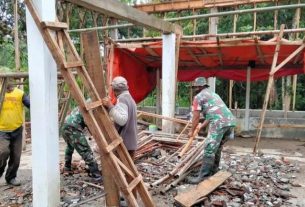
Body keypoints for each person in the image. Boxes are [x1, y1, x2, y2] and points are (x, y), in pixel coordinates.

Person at [186, 77, 236, 184]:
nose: (194, 89)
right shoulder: (213, 94)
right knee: (217, 147)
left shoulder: (198, 97)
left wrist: (191, 131)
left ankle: (203, 176)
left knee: (209, 148)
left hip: (218, 122)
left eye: (195, 87)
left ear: (199, 87)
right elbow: (211, 114)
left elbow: (196, 117)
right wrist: (202, 126)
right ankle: (214, 171)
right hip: (230, 121)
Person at [0, 82, 30, 186]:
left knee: (16, 156)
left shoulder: (20, 93)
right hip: (2, 130)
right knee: (3, 152)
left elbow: (29, 104)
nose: (8, 88)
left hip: (16, 129)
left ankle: (11, 178)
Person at [61, 106, 102, 181]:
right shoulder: (92, 107)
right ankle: (96, 175)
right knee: (86, 150)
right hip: (73, 127)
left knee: (70, 146)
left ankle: (67, 168)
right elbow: (89, 123)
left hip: (65, 125)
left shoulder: (82, 105)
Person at [102, 76, 138, 160]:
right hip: (131, 141)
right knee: (129, 170)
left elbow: (122, 120)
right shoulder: (130, 99)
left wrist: (110, 106)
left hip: (124, 142)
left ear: (115, 90)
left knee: (122, 170)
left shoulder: (122, 99)